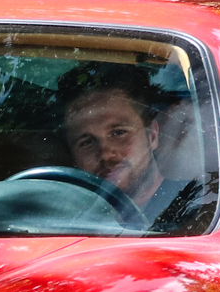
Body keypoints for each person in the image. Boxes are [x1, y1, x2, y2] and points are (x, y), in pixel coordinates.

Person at [59, 70, 197, 229]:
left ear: (152, 136)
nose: (105, 154)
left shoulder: (195, 208)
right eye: (87, 142)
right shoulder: (64, 221)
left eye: (118, 133)